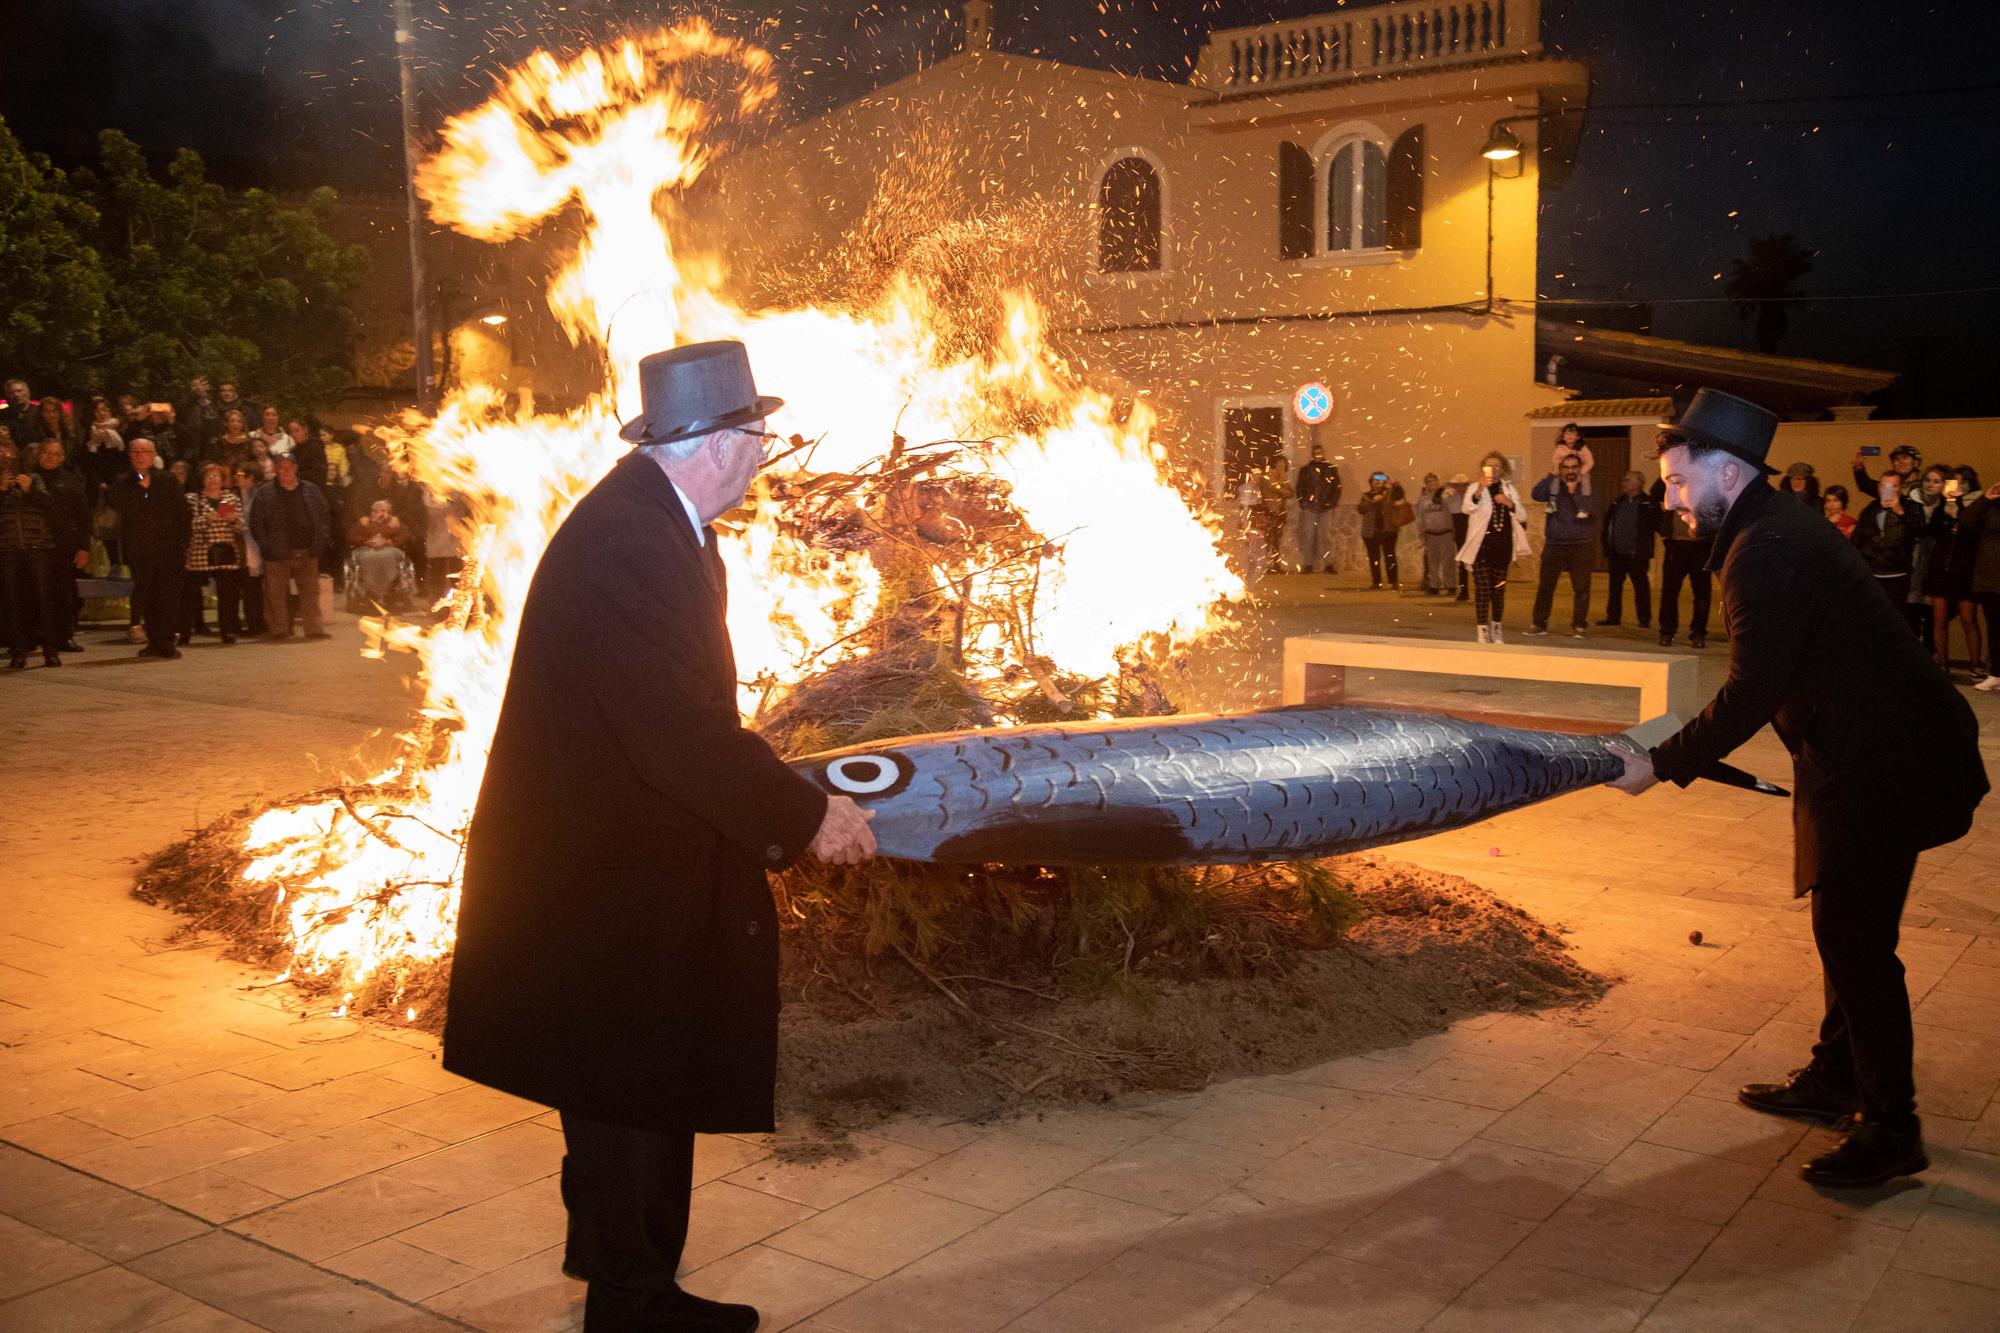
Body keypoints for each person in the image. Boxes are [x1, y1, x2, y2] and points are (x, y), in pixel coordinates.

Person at [442, 341, 877, 1333]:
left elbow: (674, 719)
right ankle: (629, 1306)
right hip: (597, 878)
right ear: (717, 444)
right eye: (756, 438)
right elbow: (674, 729)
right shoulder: (629, 541)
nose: (764, 457)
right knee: (625, 1094)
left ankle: (635, 1291)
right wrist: (807, 816)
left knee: (639, 1085)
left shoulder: (659, 524)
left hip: (625, 862)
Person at [1611, 388, 1986, 1190]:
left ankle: (1893, 1128)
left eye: (1679, 483)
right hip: (1859, 748)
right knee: (1846, 925)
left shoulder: (1767, 546)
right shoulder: (1767, 527)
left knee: (1856, 940)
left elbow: (1750, 688)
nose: (1670, 500)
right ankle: (1836, 1076)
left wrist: (1662, 761)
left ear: (1727, 469)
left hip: (1890, 758)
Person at [107, 437, 190, 658]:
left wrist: (184, 543)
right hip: (140, 550)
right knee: (148, 598)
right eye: (136, 451)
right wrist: (140, 484)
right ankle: (154, 642)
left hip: (169, 549)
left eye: (145, 451)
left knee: (168, 598)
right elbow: (120, 507)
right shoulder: (123, 481)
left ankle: (167, 642)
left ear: (153, 455)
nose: (140, 455)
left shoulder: (167, 479)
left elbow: (183, 512)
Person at [250, 455, 332, 641]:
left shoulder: (311, 490)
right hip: (277, 553)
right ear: (276, 470)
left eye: (289, 467)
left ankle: (314, 629)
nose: (286, 471)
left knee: (310, 592)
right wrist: (266, 547)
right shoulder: (265, 493)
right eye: (281, 467)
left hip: (308, 550)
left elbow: (324, 517)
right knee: (276, 594)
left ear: (296, 468)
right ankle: (279, 630)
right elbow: (256, 523)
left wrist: (320, 541)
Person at [0, 442, 62, 669]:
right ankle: (18, 651)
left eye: (9, 456)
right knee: (12, 602)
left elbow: (51, 507)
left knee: (43, 599)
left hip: (37, 547)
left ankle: (50, 650)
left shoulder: (34, 478)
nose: (6, 460)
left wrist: (29, 490)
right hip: (8, 549)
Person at [1459, 452, 1529, 643]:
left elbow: (1522, 516)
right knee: (1483, 589)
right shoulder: (1475, 487)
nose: (1493, 469)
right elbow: (1467, 508)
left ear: (1503, 468)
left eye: (1497, 466)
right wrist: (1480, 490)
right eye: (1489, 466)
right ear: (1483, 468)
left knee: (1498, 591)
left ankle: (1496, 628)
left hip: (1502, 548)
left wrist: (1508, 502)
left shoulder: (1509, 489)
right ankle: (1482, 629)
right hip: (1481, 548)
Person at [1527, 453, 1595, 637]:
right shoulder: (1554, 484)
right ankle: (1539, 624)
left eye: (1574, 467)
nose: (1570, 471)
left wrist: (1574, 493)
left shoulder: (1587, 486)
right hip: (1555, 543)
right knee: (1546, 586)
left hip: (1581, 544)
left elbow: (1594, 507)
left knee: (1581, 588)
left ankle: (1579, 626)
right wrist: (1552, 474)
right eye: (1566, 467)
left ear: (1580, 469)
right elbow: (1536, 494)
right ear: (1561, 469)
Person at [34, 441, 89, 652]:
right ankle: (34, 635)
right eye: (46, 452)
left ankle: (64, 636)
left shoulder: (71, 481)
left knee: (63, 593)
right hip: (33, 544)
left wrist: (83, 547)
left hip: (63, 545)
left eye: (55, 454)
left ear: (62, 457)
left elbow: (83, 516)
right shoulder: (29, 478)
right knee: (34, 592)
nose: (50, 457)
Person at [1850, 471, 1920, 636]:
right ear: (1879, 488)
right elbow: (1857, 540)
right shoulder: (1870, 510)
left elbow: (1920, 532)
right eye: (1884, 485)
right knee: (1872, 619)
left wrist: (1901, 512)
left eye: (1894, 485)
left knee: (1898, 620)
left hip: (1899, 575)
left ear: (1900, 488)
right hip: (1873, 573)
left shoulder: (1911, 507)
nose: (1888, 489)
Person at [184, 464, 247, 645]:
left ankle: (228, 630)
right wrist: (206, 519)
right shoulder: (192, 499)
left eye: (216, 476)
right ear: (202, 480)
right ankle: (186, 630)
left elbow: (242, 527)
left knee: (228, 595)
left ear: (222, 479)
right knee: (190, 595)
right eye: (208, 476)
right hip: (199, 552)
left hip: (225, 552)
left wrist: (233, 519)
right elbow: (187, 525)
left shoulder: (230, 498)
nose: (213, 479)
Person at [1934, 466, 1985, 680]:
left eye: (1962, 482)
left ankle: (1976, 666)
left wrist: (1960, 505)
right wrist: (1946, 505)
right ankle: (1943, 664)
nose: (1957, 487)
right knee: (1939, 619)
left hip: (1965, 569)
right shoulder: (1942, 506)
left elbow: (1972, 531)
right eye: (1953, 482)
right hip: (1941, 569)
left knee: (1968, 620)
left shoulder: (1976, 505)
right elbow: (1934, 531)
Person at [1654, 481, 1714, 650]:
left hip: (1700, 547)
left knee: (1702, 594)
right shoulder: (1674, 483)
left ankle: (1699, 632)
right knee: (1669, 593)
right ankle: (1667, 631)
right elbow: (1656, 492)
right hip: (1676, 545)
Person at [1598, 470, 1659, 629]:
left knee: (1641, 587)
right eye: (1624, 480)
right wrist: (1607, 545)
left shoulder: (1648, 503)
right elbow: (1607, 524)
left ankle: (1644, 618)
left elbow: (1657, 524)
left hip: (1636, 554)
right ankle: (1613, 617)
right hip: (1617, 553)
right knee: (1614, 587)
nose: (1624, 482)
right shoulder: (1618, 502)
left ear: (1639, 483)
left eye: (1628, 480)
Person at [347, 499, 408, 608]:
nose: (378, 513)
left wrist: (389, 542)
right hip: (365, 548)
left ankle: (387, 591)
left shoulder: (394, 523)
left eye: (383, 510)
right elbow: (351, 536)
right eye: (375, 511)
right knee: (369, 557)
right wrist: (366, 541)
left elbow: (404, 535)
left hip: (390, 549)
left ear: (389, 513)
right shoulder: (364, 523)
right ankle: (370, 591)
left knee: (387, 556)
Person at [1293, 443, 1341, 575]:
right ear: (1312, 455)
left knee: (1326, 536)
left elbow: (1337, 487)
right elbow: (1300, 487)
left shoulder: (1331, 469)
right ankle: (1308, 564)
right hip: (1310, 508)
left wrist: (1331, 503)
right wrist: (1303, 503)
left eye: (1320, 453)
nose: (1318, 455)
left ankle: (1329, 564)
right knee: (1308, 536)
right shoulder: (1305, 470)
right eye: (1316, 453)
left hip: (1325, 508)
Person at [1357, 470, 1408, 590]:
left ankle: (1393, 581)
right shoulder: (1366, 495)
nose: (1378, 483)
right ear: (1371, 483)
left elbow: (1400, 495)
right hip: (1371, 532)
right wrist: (1374, 501)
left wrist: (1395, 484)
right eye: (1375, 481)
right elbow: (1361, 509)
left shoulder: (1390, 493)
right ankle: (1376, 582)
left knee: (1390, 556)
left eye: (1381, 480)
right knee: (1374, 558)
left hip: (1389, 530)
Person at [232, 462, 267, 637]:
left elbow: (257, 520)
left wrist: (241, 525)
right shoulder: (236, 494)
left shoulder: (259, 494)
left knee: (253, 587)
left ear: (250, 477)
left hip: (255, 546)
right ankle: (254, 621)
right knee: (250, 587)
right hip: (244, 547)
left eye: (240, 475)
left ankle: (257, 622)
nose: (236, 479)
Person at [1414, 472, 1458, 596]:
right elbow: (1420, 517)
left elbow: (1452, 507)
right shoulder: (1423, 499)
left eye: (1434, 481)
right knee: (1432, 562)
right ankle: (1434, 585)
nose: (1432, 484)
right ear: (1426, 484)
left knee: (1448, 561)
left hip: (1445, 533)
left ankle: (1451, 585)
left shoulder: (1446, 495)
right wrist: (1421, 534)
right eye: (1429, 482)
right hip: (1431, 534)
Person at [1850, 443, 1919, 502]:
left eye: (1905, 458)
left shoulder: (1923, 486)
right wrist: (1859, 467)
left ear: (1915, 462)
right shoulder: (1888, 488)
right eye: (1896, 459)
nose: (1901, 461)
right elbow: (1865, 485)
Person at [1448, 471, 1472, 602]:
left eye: (1464, 485)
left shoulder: (1472, 497)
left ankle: (1482, 590)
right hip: (1460, 534)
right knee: (1463, 563)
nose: (1461, 488)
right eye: (1458, 486)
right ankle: (1464, 590)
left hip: (1472, 533)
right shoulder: (1451, 498)